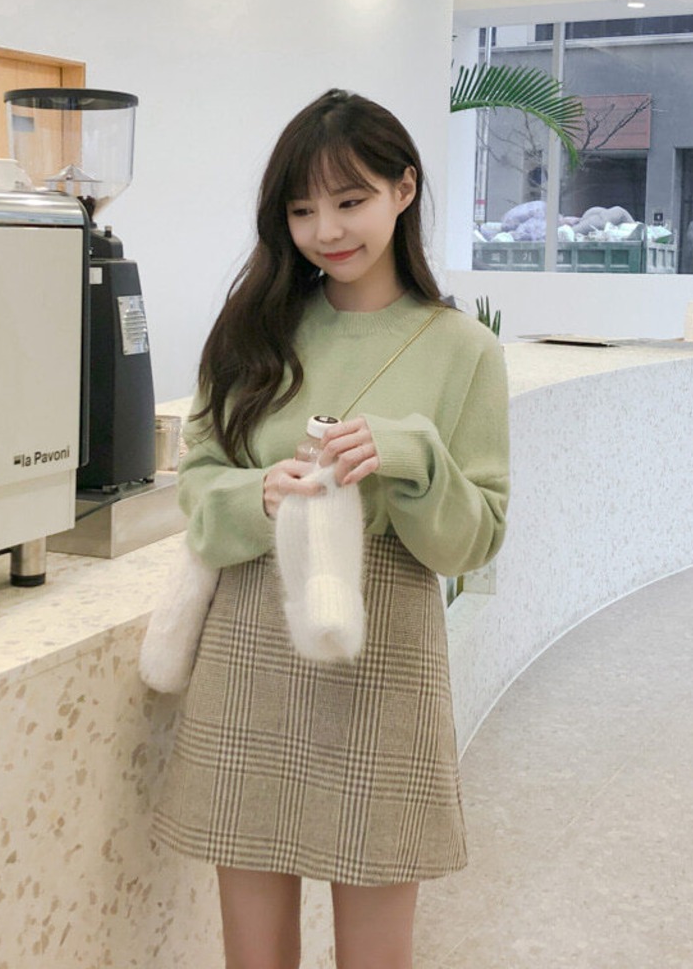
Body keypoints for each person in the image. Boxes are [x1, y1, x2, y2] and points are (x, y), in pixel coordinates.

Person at [152, 89, 510, 969]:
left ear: (404, 189)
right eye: (302, 210)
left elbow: (473, 542)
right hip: (251, 641)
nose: (327, 230)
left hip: (385, 650)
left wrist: (410, 453)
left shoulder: (463, 348)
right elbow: (197, 482)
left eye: (350, 201)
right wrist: (259, 495)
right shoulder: (253, 330)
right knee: (254, 952)